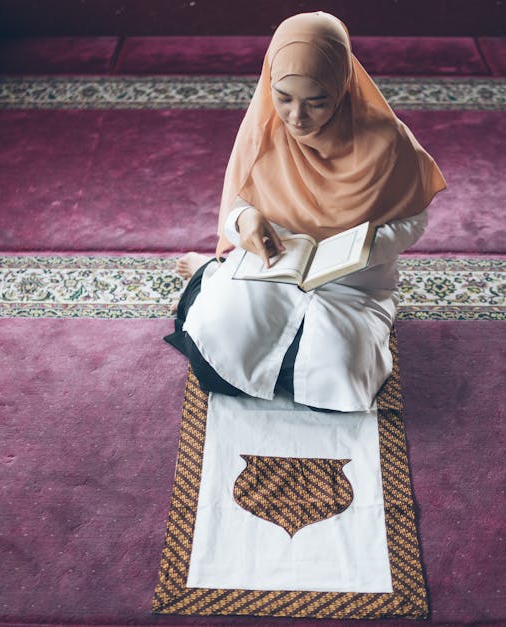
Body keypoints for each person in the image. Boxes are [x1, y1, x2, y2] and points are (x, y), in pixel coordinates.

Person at [165, 11, 446, 412]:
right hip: (275, 266)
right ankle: (207, 273)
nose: (297, 117)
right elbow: (238, 202)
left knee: (336, 381)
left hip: (352, 282)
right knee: (214, 357)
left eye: (317, 102)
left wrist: (367, 246)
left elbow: (414, 217)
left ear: (342, 87)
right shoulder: (265, 130)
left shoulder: (387, 141)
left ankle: (215, 280)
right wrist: (246, 221)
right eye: (283, 98)